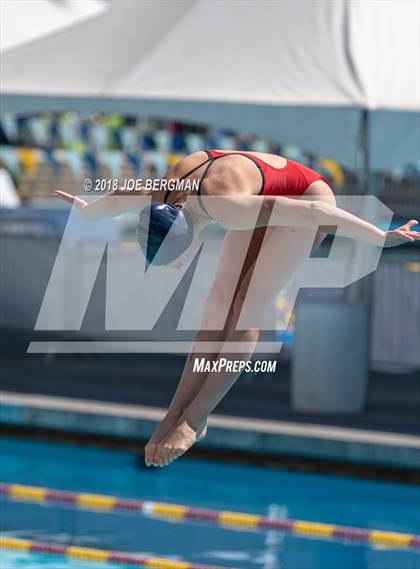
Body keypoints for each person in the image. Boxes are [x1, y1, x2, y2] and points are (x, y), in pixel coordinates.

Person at [55, 149, 419, 468]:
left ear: (189, 237)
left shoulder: (226, 207)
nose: (180, 266)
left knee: (248, 302)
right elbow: (122, 197)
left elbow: (312, 211)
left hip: (308, 197)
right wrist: (89, 212)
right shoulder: (161, 195)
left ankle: (196, 417)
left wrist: (380, 237)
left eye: (178, 260)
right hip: (260, 193)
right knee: (216, 303)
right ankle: (175, 412)